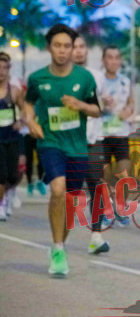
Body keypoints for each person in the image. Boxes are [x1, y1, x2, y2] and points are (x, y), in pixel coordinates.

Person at [23, 24, 101, 277]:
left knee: (71, 200)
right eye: (57, 45)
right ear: (49, 48)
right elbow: (28, 103)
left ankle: (60, 246)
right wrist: (30, 122)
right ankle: (57, 249)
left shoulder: (84, 78)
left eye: (67, 46)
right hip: (50, 142)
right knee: (58, 189)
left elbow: (96, 110)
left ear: (72, 49)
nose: (62, 50)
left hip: (77, 146)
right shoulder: (37, 78)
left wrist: (80, 105)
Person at [72, 36, 113, 255]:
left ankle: (96, 236)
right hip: (70, 141)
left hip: (94, 140)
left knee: (96, 187)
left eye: (82, 47)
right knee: (68, 192)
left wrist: (108, 102)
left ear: (87, 50)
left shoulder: (98, 76)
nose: (79, 51)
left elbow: (104, 101)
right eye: (74, 47)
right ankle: (59, 240)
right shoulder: (63, 78)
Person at [96, 44, 135, 228]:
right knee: (103, 175)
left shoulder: (125, 81)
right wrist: (102, 104)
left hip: (121, 133)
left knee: (125, 173)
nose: (113, 61)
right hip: (101, 134)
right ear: (103, 60)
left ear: (120, 61)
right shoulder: (97, 81)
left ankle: (120, 206)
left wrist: (129, 111)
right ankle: (106, 209)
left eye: (116, 57)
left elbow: (131, 103)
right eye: (109, 57)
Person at [0, 52, 25, 222]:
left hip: (12, 137)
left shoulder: (14, 91)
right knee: (0, 174)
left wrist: (21, 121)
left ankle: (8, 195)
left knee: (12, 174)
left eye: (4, 68)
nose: (1, 71)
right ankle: (1, 204)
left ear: (9, 69)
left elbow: (25, 109)